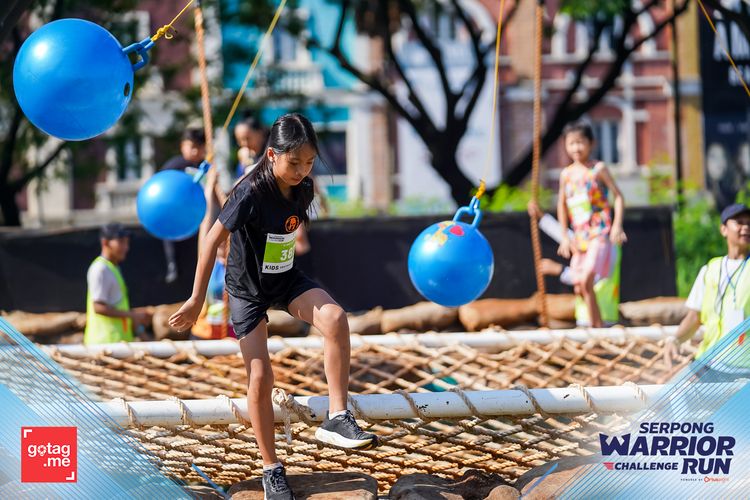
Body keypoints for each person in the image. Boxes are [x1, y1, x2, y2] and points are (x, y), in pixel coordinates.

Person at [168, 113, 376, 500]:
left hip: (283, 278)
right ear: (271, 155)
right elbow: (211, 240)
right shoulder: (249, 191)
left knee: (335, 318)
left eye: (309, 162)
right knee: (261, 377)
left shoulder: (304, 189)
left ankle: (337, 416)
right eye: (294, 162)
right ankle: (271, 469)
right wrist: (196, 299)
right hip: (247, 291)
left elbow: (289, 234)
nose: (301, 171)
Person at [557, 121, 627, 328]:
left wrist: (617, 225)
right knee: (579, 285)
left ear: (591, 143)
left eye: (580, 142)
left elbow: (618, 196)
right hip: (580, 237)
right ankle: (595, 325)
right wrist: (564, 236)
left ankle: (598, 329)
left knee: (587, 278)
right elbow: (562, 204)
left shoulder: (597, 169)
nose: (576, 148)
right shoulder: (566, 175)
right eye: (571, 143)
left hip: (599, 232)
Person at [675, 203, 750, 379]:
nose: (746, 227)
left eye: (749, 223)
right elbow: (694, 317)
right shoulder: (710, 269)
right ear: (724, 229)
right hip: (709, 363)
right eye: (739, 222)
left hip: (745, 368)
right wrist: (675, 340)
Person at [528, 201, 621, 326]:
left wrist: (559, 270)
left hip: (604, 319)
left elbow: (591, 278)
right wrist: (541, 216)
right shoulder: (589, 241)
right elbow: (566, 236)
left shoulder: (608, 248)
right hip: (584, 318)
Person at [84, 223, 149, 345]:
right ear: (105, 243)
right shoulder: (100, 268)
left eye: (127, 242)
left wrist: (141, 331)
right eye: (121, 242)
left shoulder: (113, 268)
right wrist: (132, 315)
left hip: (117, 344)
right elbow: (98, 307)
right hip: (104, 345)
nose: (126, 247)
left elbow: (119, 307)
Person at [160, 128, 210, 284]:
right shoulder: (175, 166)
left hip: (201, 216)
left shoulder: (207, 166)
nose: (195, 151)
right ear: (182, 146)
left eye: (199, 147)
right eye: (191, 146)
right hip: (177, 215)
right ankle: (173, 265)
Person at [191, 167, 235, 340]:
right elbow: (205, 224)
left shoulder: (239, 263)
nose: (221, 240)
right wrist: (209, 189)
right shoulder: (209, 260)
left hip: (232, 332)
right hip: (205, 332)